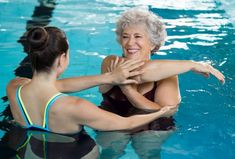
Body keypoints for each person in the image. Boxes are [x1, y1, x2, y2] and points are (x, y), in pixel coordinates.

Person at [94, 8, 225, 158]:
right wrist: (190, 64)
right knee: (111, 150)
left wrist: (129, 91)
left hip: (153, 125)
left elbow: (166, 111)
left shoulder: (169, 75)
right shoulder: (111, 62)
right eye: (125, 37)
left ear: (153, 44)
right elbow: (139, 73)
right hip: (114, 118)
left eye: (138, 36)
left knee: (148, 148)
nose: (130, 43)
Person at [6, 26, 177, 135]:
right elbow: (127, 123)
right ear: (62, 59)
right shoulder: (75, 107)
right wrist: (162, 112)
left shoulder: (14, 87)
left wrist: (108, 78)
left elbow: (54, 85)